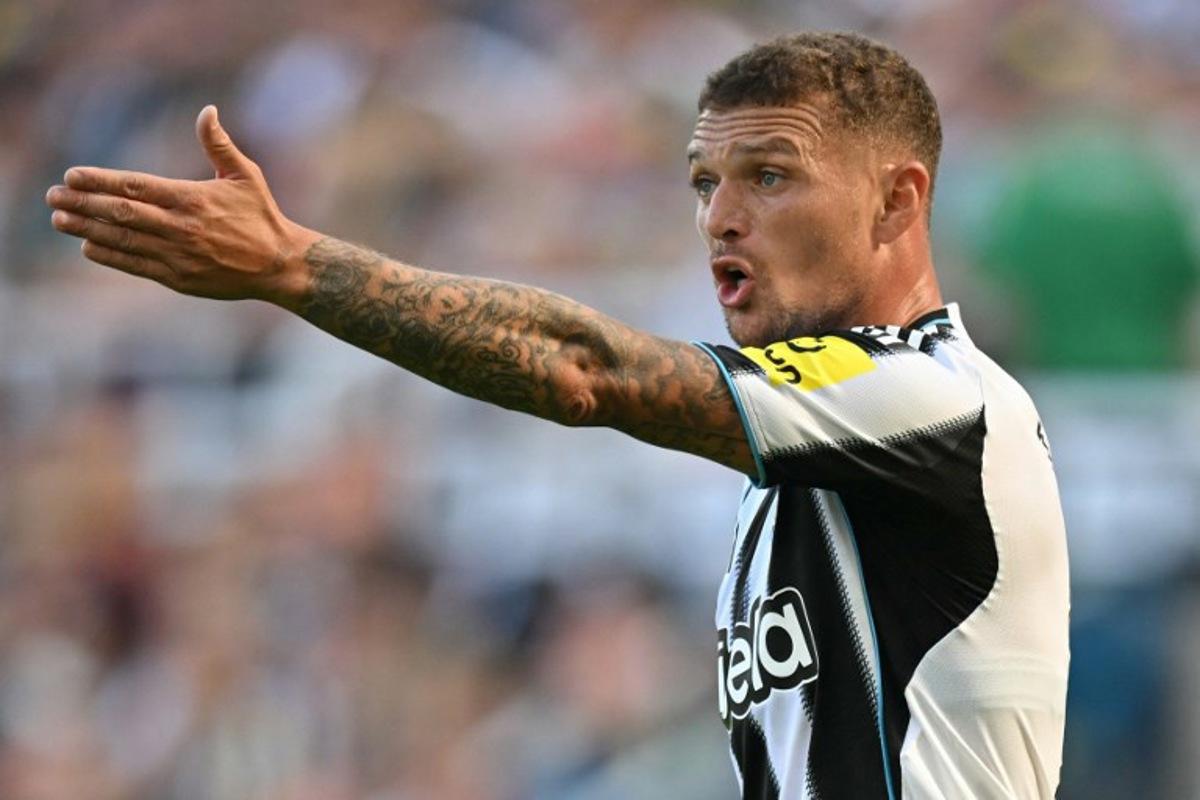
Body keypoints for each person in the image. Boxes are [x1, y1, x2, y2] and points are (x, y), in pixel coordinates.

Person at [45, 31, 1069, 800]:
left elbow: (588, 370)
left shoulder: (935, 394)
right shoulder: (805, 475)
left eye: (770, 176)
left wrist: (295, 267)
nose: (719, 213)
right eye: (704, 180)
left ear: (898, 202)